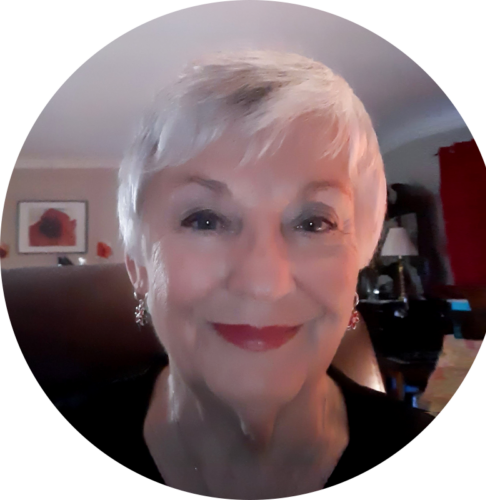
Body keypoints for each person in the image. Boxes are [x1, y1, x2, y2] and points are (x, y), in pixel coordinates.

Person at [53, 49, 447, 498]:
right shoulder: (47, 445)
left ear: (356, 264)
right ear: (139, 269)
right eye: (204, 220)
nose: (264, 283)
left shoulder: (436, 456)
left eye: (313, 223)